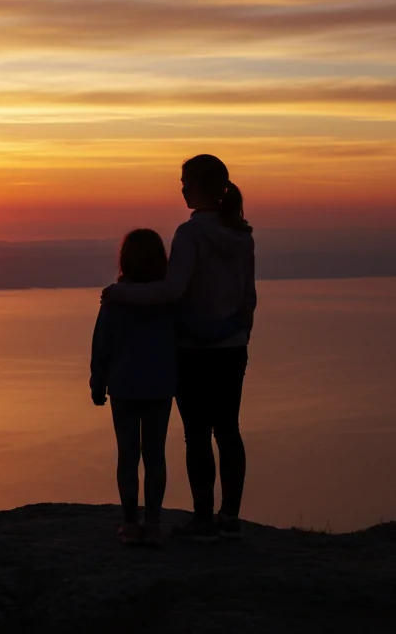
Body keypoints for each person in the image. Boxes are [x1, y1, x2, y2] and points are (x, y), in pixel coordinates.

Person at [101, 154, 256, 544]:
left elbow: (173, 290)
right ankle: (231, 516)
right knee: (229, 430)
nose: (181, 186)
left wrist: (121, 292)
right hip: (232, 348)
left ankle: (204, 517)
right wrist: (237, 332)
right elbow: (248, 298)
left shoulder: (190, 234)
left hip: (192, 351)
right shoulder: (242, 233)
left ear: (200, 186)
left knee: (198, 435)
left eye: (185, 180)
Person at [91, 229, 177, 547]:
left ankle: (129, 524)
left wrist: (97, 382)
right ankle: (152, 523)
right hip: (159, 386)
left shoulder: (115, 300)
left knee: (128, 456)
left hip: (125, 387)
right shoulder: (168, 299)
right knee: (155, 456)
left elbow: (102, 344)